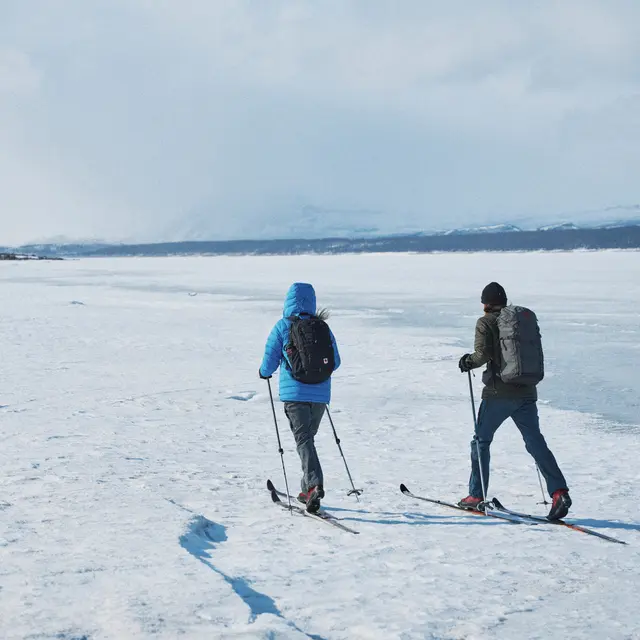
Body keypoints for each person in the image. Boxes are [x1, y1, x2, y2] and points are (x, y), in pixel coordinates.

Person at [457, 282, 571, 520]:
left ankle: (476, 495)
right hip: (527, 393)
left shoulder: (486, 322)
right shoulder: (520, 321)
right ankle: (559, 492)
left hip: (498, 394)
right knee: (535, 442)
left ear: (484, 303)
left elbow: (482, 355)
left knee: (481, 442)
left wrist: (467, 361)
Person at [259, 283, 341, 513]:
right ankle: (307, 490)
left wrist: (264, 373)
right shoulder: (322, 327)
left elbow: (270, 358)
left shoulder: (283, 326)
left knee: (303, 439)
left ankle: (314, 485)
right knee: (307, 439)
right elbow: (337, 361)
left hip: (294, 394)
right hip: (320, 396)